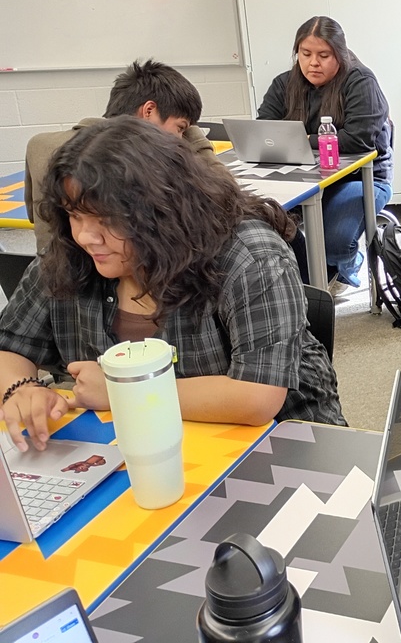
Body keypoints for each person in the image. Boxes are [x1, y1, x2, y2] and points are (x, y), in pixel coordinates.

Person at [0, 118, 344, 453]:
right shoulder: (69, 256)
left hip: (278, 450)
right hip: (139, 449)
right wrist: (21, 389)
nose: (87, 236)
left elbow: (257, 397)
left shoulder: (249, 255)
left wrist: (125, 392)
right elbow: (11, 346)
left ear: (162, 211)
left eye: (107, 220)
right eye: (75, 215)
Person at [24, 59, 216, 253]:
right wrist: (195, 137)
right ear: (149, 111)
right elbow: (222, 203)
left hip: (46, 269)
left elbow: (35, 215)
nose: (179, 139)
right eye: (181, 128)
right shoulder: (142, 157)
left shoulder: (39, 144)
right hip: (103, 271)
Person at [257, 15, 394, 288]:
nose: (313, 63)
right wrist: (309, 141)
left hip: (359, 178)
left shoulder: (360, 81)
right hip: (301, 177)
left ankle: (343, 265)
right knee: (261, 221)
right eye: (305, 54)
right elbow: (265, 132)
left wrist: (300, 139)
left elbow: (357, 141)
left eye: (323, 55)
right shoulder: (284, 84)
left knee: (335, 243)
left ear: (339, 56)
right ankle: (307, 277)